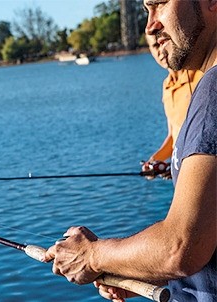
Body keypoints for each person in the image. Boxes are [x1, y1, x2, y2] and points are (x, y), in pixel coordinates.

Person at [43, 1, 217, 301]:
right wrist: (138, 267)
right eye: (146, 9)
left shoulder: (213, 92)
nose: (150, 25)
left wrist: (93, 255)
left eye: (160, 3)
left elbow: (181, 247)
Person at [142, 34, 204, 178]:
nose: (160, 51)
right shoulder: (167, 87)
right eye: (155, 46)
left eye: (163, 43)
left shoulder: (201, 74)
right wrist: (154, 161)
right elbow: (173, 135)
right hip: (183, 173)